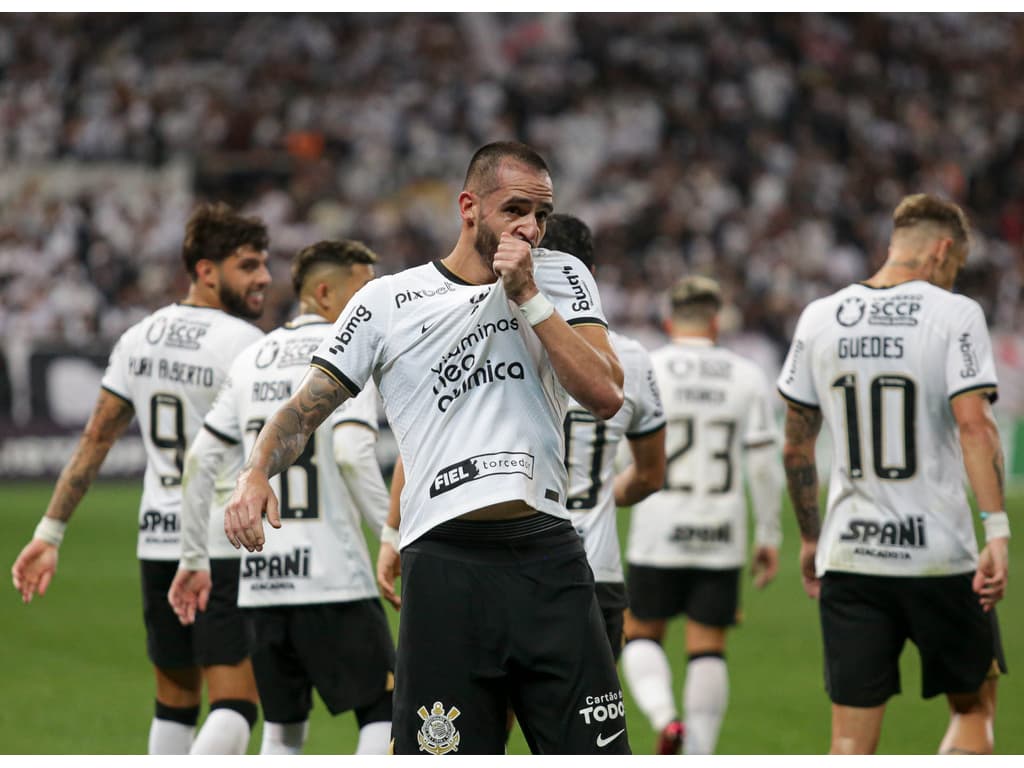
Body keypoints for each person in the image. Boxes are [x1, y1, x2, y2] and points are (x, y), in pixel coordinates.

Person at [223, 141, 631, 755]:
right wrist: (256, 472)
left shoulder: (561, 277)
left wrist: (528, 297)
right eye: (514, 209)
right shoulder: (386, 303)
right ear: (469, 207)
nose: (531, 227)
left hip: (549, 560)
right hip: (445, 568)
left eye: (542, 214)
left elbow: (604, 393)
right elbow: (305, 409)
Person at [11, 202, 270, 754]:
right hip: (219, 545)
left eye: (263, 265)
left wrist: (49, 533)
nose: (264, 278)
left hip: (157, 540)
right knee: (237, 704)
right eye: (248, 265)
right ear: (206, 270)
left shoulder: (139, 337)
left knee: (175, 698)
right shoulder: (246, 346)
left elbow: (95, 440)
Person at [776, 193, 1009, 755]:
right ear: (943, 250)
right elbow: (976, 428)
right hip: (940, 557)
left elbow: (797, 447)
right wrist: (996, 528)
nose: (953, 279)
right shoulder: (955, 314)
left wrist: (810, 537)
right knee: (974, 710)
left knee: (850, 746)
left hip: (851, 556)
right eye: (954, 267)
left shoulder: (820, 315)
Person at [168, 239, 395, 755]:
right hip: (335, 578)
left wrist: (192, 557)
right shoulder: (348, 352)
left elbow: (200, 461)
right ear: (324, 292)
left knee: (282, 729)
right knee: (384, 712)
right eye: (363, 290)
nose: (372, 302)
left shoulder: (252, 357)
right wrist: (393, 534)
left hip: (263, 583)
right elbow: (351, 453)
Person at [620, 275, 783, 755]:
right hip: (721, 530)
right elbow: (763, 465)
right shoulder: (746, 374)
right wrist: (768, 534)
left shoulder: (648, 368)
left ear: (669, 321)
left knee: (641, 631)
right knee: (708, 644)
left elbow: (619, 456)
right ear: (716, 323)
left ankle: (666, 718)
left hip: (659, 527)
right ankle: (700, 755)